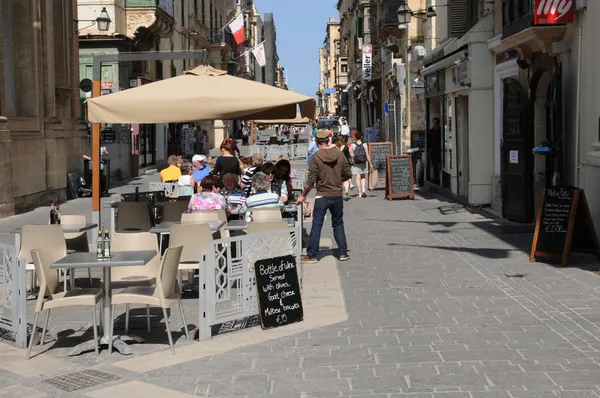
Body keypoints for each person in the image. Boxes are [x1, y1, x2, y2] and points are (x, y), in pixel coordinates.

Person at [297, 130, 352, 263]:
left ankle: (312, 255)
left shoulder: (315, 157)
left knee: (317, 225)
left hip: (322, 195)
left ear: (316, 142)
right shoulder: (339, 154)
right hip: (337, 194)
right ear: (328, 140)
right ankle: (343, 253)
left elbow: (310, 180)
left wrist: (303, 195)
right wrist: (338, 179)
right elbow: (348, 173)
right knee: (338, 224)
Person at [349, 130, 373, 198]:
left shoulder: (352, 145)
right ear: (361, 137)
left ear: (355, 137)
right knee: (363, 177)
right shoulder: (365, 144)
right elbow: (367, 155)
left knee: (357, 178)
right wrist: (370, 163)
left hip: (356, 163)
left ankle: (359, 194)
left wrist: (354, 157)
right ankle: (363, 190)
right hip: (363, 162)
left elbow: (350, 153)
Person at [335, 136, 352, 201]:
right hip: (346, 163)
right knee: (346, 178)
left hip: (338, 164)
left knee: (339, 178)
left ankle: (340, 192)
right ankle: (346, 190)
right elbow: (349, 155)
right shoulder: (346, 146)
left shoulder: (336, 148)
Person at [427, 117, 442, 184]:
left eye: (436, 122)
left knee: (440, 164)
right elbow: (428, 142)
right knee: (434, 165)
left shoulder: (441, 131)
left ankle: (441, 178)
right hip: (433, 150)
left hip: (440, 150)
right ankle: (436, 178)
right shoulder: (431, 131)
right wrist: (428, 151)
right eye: (434, 122)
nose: (435, 124)